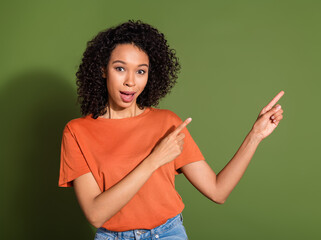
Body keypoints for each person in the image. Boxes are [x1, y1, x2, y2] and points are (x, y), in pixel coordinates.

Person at [58, 19, 284, 240]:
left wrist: (255, 135)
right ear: (103, 70)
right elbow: (96, 215)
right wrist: (154, 160)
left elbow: (218, 191)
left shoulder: (167, 123)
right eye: (120, 68)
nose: (130, 81)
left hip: (167, 234)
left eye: (140, 71)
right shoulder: (77, 131)